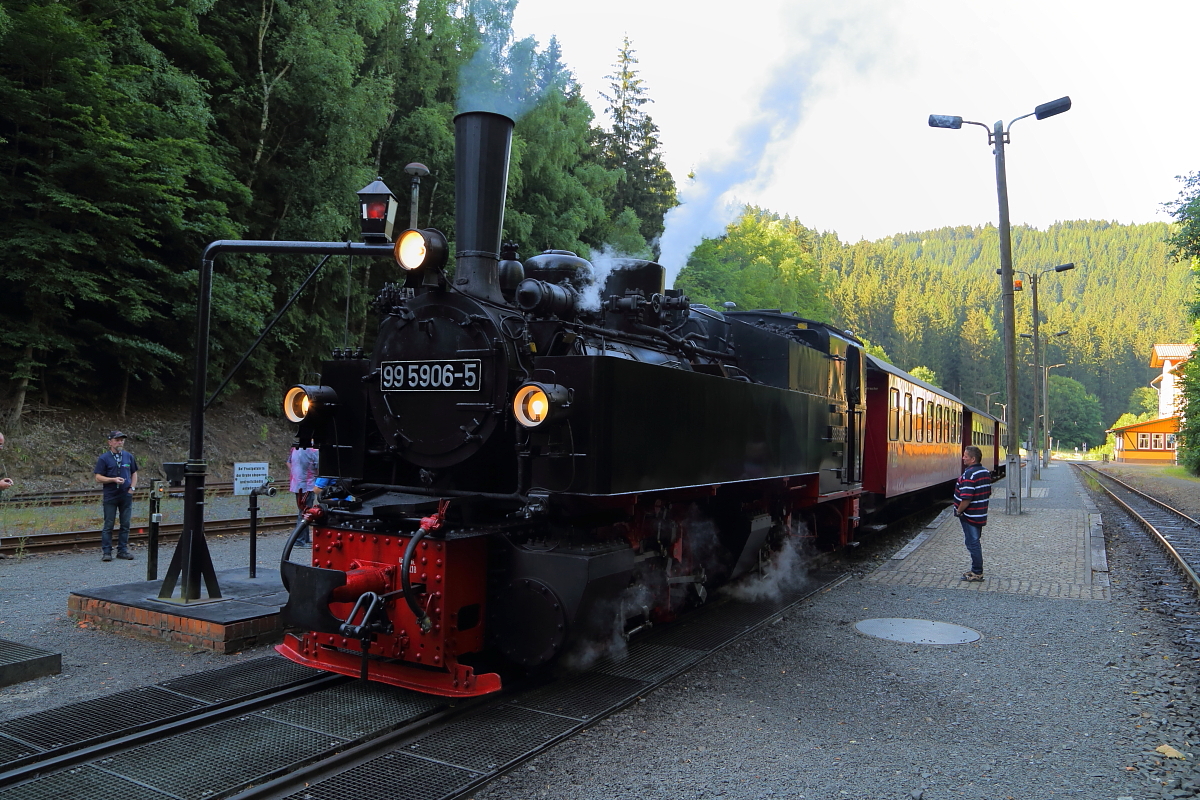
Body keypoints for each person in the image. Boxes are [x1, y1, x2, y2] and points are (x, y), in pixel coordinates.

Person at [94, 430, 138, 562]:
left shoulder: (128, 456)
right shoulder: (104, 458)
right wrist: (113, 480)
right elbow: (98, 477)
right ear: (110, 442)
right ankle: (107, 552)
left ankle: (122, 551)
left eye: (122, 440)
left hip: (125, 495)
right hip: (111, 496)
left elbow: (134, 473)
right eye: (117, 440)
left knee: (125, 524)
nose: (120, 442)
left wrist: (132, 488)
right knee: (109, 525)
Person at [953, 445, 992, 582]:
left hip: (970, 515)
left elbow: (967, 497)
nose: (963, 458)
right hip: (980, 513)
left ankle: (977, 572)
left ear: (973, 459)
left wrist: (959, 511)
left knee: (972, 543)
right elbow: (987, 492)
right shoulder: (985, 472)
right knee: (974, 541)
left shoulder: (970, 474)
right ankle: (976, 569)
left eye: (966, 456)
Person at [288, 444, 318, 546]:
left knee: (303, 511)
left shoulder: (294, 449)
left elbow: (288, 463)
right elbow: (318, 467)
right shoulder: (313, 450)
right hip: (307, 485)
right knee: (305, 513)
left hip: (297, 484)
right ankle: (299, 540)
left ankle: (305, 538)